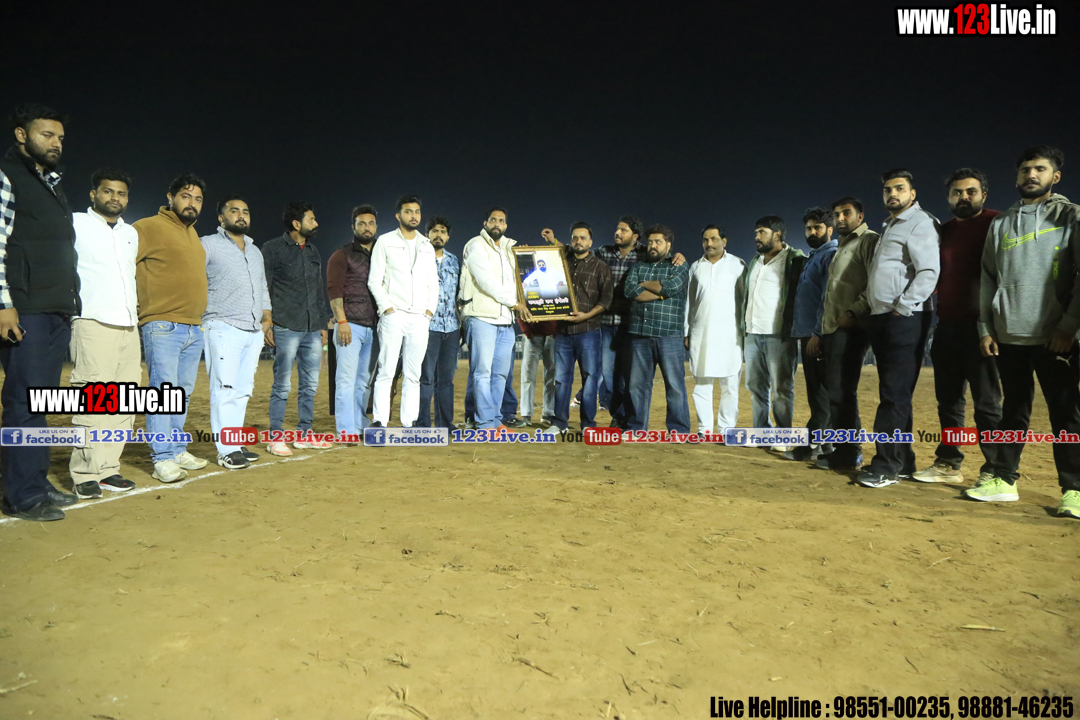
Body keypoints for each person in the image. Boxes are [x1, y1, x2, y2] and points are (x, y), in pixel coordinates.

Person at [976, 145, 1080, 519]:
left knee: (1066, 414)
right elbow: (988, 278)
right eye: (1024, 170)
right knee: (1013, 410)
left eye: (1039, 169)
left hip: (1055, 337)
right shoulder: (1001, 224)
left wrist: (1068, 325)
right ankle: (1004, 480)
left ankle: (1075, 490)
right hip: (1009, 334)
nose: (1031, 175)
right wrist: (986, 327)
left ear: (1056, 176)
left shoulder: (1071, 216)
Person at [0, 103, 80, 521]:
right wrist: (4, 304)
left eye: (60, 137)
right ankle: (22, 495)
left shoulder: (51, 184)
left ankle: (35, 481)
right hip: (25, 307)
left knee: (39, 402)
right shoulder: (7, 175)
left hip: (55, 308)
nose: (56, 143)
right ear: (21, 135)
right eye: (47, 134)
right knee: (23, 402)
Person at [912, 169, 1005, 485]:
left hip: (983, 330)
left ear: (984, 195)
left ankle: (995, 468)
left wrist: (993, 326)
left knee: (987, 404)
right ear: (949, 197)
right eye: (957, 193)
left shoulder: (998, 223)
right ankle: (949, 463)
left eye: (970, 191)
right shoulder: (945, 231)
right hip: (947, 326)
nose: (964, 197)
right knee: (949, 402)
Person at [857, 169, 940, 488]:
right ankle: (903, 461)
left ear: (912, 194)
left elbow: (929, 272)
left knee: (893, 394)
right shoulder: (891, 225)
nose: (892, 194)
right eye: (888, 189)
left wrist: (902, 308)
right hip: (885, 317)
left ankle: (886, 466)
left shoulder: (920, 223)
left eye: (900, 188)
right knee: (897, 393)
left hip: (904, 318)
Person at [134, 173, 210, 482]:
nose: (192, 203)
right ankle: (162, 457)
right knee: (163, 394)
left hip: (193, 327)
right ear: (170, 197)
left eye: (198, 199)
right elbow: (124, 265)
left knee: (182, 394)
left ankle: (177, 449)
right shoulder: (146, 227)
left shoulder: (193, 235)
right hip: (162, 323)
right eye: (186, 196)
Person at [69, 168, 140, 498]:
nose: (115, 197)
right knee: (94, 401)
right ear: (93, 194)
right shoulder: (75, 224)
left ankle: (109, 468)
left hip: (128, 325)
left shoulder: (130, 233)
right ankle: (85, 472)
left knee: (124, 402)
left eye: (121, 193)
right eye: (108, 191)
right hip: (93, 320)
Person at [201, 196, 272, 469]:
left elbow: (262, 286)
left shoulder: (254, 251)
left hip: (253, 329)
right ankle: (226, 449)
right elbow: (194, 278)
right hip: (223, 325)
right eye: (234, 211)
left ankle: (234, 440)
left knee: (242, 390)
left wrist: (267, 315)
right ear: (221, 218)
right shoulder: (208, 244)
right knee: (224, 389)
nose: (241, 215)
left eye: (245, 211)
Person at [812, 197, 879, 472]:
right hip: (833, 327)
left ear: (860, 216)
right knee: (837, 392)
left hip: (852, 328)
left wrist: (853, 313)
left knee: (842, 391)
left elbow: (875, 282)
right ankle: (846, 451)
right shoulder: (842, 245)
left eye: (846, 213)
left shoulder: (869, 241)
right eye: (837, 214)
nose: (840, 218)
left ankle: (849, 453)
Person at [262, 201, 333, 455]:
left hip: (312, 328)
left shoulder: (313, 252)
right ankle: (275, 437)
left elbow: (318, 290)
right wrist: (267, 322)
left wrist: (323, 323)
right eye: (311, 219)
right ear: (296, 223)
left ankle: (304, 434)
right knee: (282, 385)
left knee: (310, 386)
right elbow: (264, 287)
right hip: (285, 326)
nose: (316, 223)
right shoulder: (272, 249)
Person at [368, 195, 438, 428]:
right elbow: (374, 280)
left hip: (419, 317)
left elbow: (433, 283)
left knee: (413, 374)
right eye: (408, 211)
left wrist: (428, 312)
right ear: (399, 215)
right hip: (394, 314)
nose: (414, 216)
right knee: (386, 370)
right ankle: (380, 420)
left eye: (417, 211)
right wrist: (386, 308)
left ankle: (409, 422)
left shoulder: (426, 245)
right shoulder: (385, 241)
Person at [459, 207, 531, 431]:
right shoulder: (475, 245)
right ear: (485, 223)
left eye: (501, 221)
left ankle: (494, 419)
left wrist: (526, 258)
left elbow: (521, 280)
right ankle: (484, 422)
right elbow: (486, 281)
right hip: (481, 316)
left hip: (505, 320)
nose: (497, 224)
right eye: (493, 220)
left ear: (506, 225)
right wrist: (515, 304)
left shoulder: (509, 250)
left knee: (500, 374)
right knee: (482, 373)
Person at [741, 216, 806, 443]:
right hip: (752, 335)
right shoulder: (755, 262)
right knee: (755, 388)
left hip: (779, 336)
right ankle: (761, 433)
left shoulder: (795, 261)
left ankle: (783, 436)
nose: (757, 237)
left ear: (777, 234)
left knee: (781, 390)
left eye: (762, 232)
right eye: (756, 233)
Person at [544, 222, 613, 431]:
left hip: (589, 331)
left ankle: (588, 424)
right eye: (575, 237)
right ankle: (560, 423)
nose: (578, 241)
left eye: (583, 238)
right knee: (561, 380)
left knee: (590, 379)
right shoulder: (560, 263)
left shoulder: (600, 267)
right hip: (563, 332)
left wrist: (586, 316)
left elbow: (606, 299)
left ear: (591, 242)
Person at [625, 224, 691, 433]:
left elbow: (671, 288)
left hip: (669, 334)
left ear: (668, 244)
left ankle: (679, 430)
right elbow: (630, 291)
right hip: (640, 333)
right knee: (637, 385)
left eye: (658, 242)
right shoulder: (638, 266)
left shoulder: (678, 266)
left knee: (674, 385)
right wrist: (660, 292)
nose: (653, 246)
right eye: (651, 242)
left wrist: (643, 284)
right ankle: (637, 429)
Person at [784, 208, 838, 461]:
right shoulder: (815, 257)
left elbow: (828, 298)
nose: (812, 232)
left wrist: (817, 333)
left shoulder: (830, 255)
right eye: (809, 228)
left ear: (830, 229)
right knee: (819, 392)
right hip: (810, 333)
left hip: (819, 335)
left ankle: (810, 445)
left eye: (818, 227)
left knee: (821, 394)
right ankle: (827, 445)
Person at [685, 225, 745, 439]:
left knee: (730, 385)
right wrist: (686, 331)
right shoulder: (695, 267)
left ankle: (727, 429)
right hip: (701, 334)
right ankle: (704, 430)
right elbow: (689, 302)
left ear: (724, 241)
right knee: (702, 384)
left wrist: (745, 330)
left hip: (731, 335)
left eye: (713, 239)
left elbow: (744, 299)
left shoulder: (738, 264)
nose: (709, 243)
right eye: (705, 239)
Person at [327, 204, 380, 438]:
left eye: (370, 223)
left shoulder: (382, 254)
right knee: (346, 380)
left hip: (375, 328)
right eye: (361, 224)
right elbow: (334, 291)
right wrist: (342, 322)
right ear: (353, 227)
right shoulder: (342, 255)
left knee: (364, 382)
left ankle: (360, 425)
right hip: (350, 326)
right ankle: (346, 430)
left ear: (376, 226)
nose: (366, 228)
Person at [418, 215, 460, 429]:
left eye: (443, 231)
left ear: (448, 236)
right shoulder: (420, 258)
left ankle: (445, 424)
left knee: (446, 380)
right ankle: (422, 424)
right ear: (427, 234)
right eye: (434, 231)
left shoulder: (454, 260)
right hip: (427, 327)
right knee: (425, 378)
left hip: (451, 328)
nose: (439, 235)